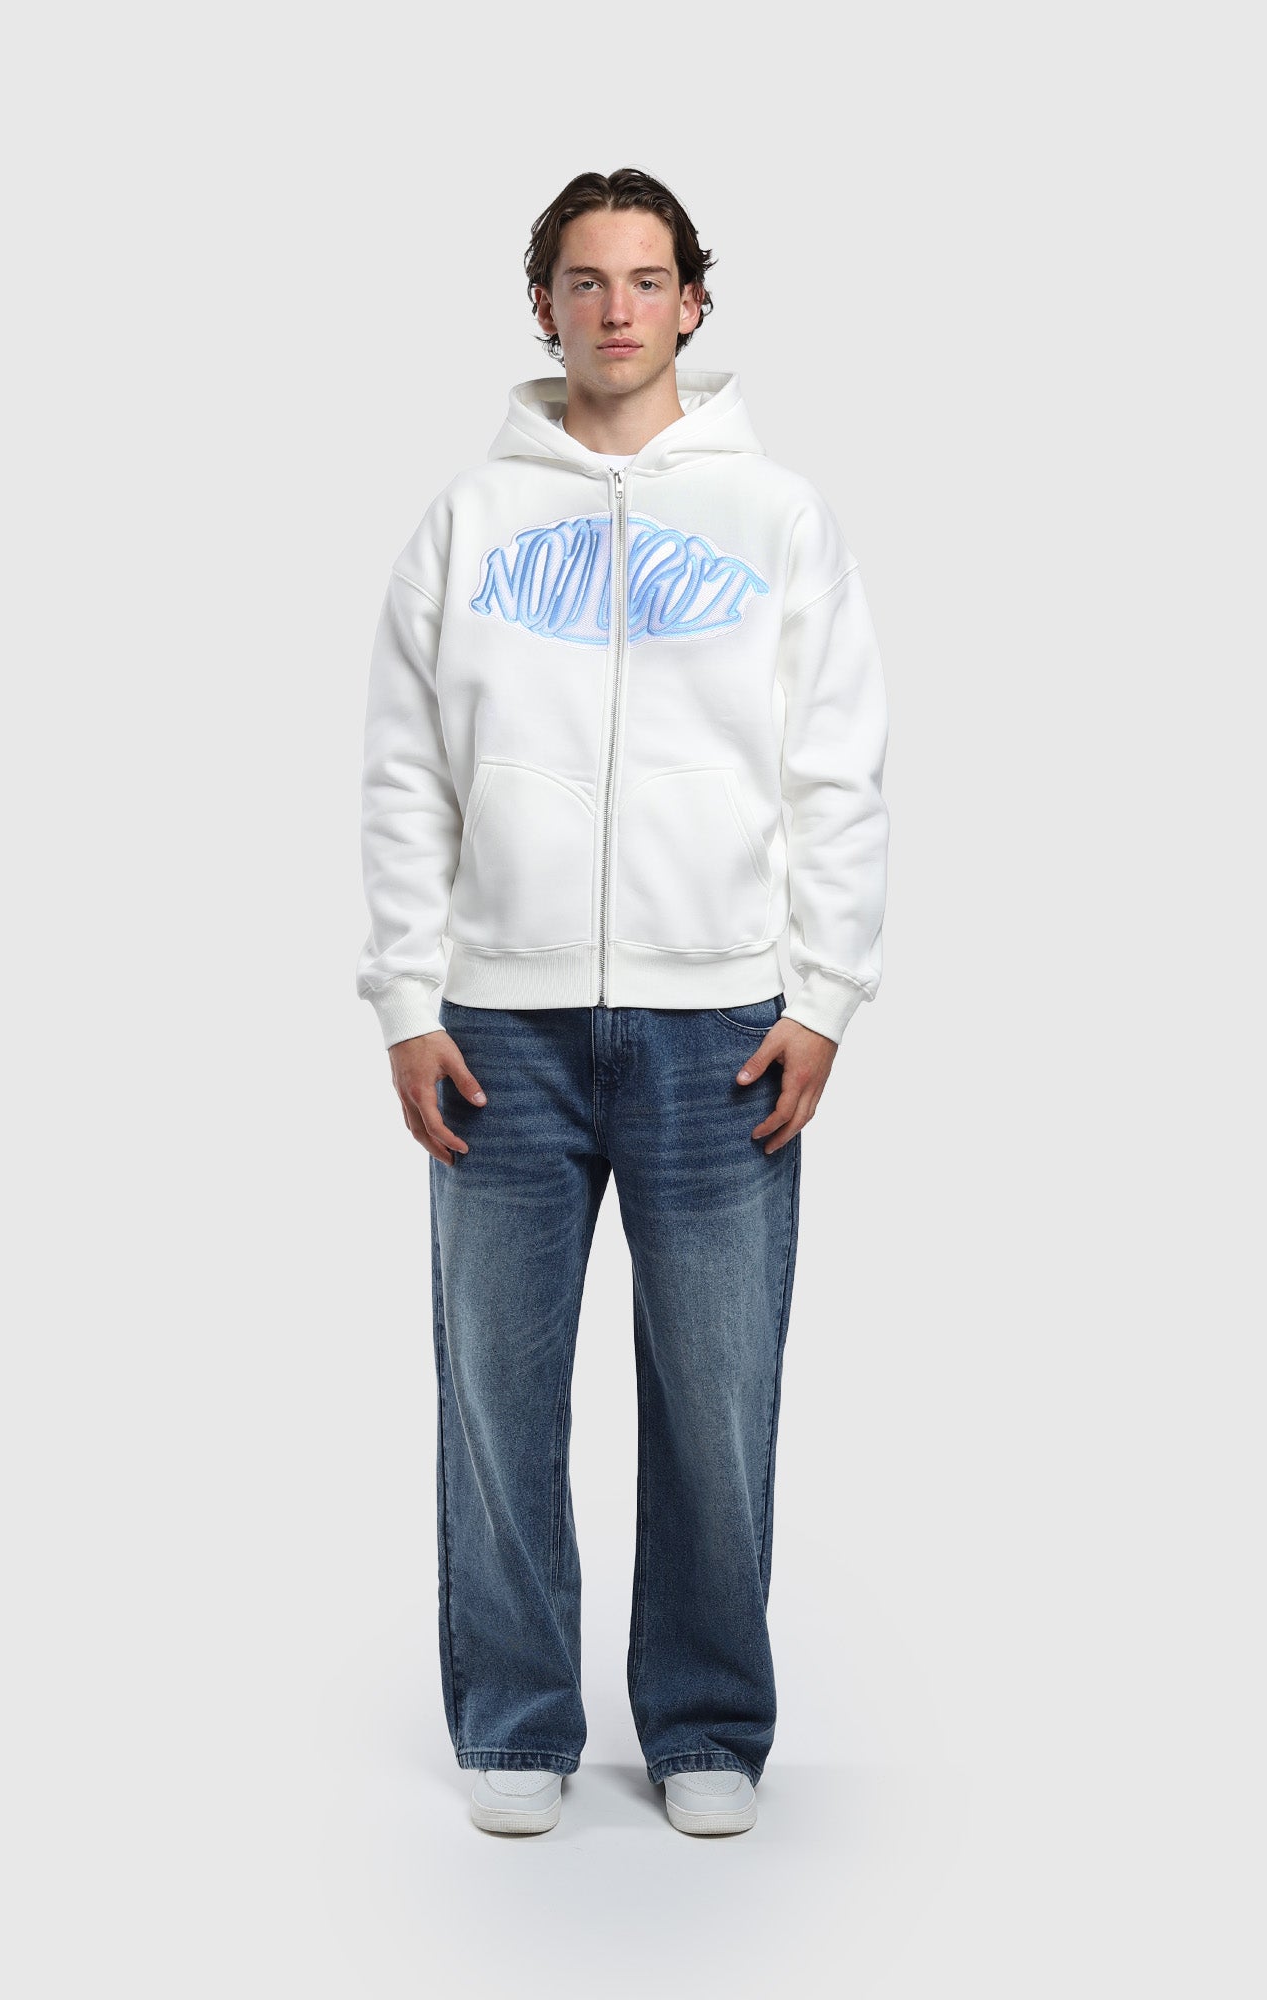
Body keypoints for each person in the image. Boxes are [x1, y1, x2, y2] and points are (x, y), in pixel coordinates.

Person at [355, 167, 890, 1838]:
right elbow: (403, 774)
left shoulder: (777, 519)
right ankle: (516, 1720)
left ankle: (707, 1725)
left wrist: (827, 993)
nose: (615, 310)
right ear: (543, 307)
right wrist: (407, 996)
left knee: (717, 1398)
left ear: (693, 304)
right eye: (583, 282)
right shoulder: (466, 523)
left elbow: (836, 770)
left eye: (646, 280)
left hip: (718, 1026)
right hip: (498, 1032)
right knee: (496, 1396)